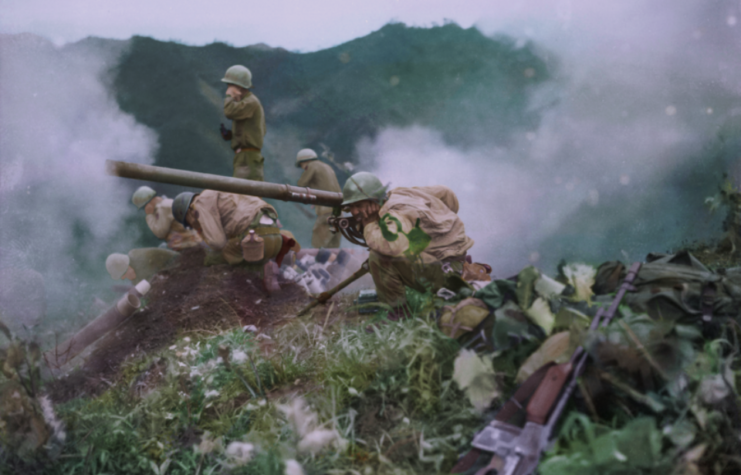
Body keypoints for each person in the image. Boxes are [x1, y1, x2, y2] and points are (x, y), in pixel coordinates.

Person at [341, 172, 474, 316]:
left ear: (373, 200)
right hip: (454, 262)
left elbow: (394, 246)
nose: (353, 211)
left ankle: (396, 313)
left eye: (358, 205)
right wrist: (438, 225)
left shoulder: (393, 214)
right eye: (351, 206)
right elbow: (446, 193)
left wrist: (369, 225)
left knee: (378, 257)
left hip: (446, 274)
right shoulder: (401, 194)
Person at [171, 190, 300, 292]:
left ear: (187, 212)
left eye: (188, 223)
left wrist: (209, 251)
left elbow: (218, 243)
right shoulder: (220, 192)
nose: (192, 226)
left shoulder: (199, 205)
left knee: (222, 255)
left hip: (257, 238)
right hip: (274, 234)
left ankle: (263, 266)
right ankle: (281, 258)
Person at [220, 65, 266, 181]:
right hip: (244, 157)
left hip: (248, 158)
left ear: (239, 87)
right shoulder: (246, 103)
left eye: (230, 86)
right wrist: (233, 136)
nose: (228, 89)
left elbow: (229, 112)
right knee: (241, 195)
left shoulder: (251, 102)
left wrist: (229, 95)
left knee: (246, 196)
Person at [295, 148, 342, 249]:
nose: (303, 168)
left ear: (305, 162)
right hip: (339, 212)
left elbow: (301, 184)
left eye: (302, 165)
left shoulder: (312, 165)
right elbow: (328, 187)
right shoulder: (327, 167)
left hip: (326, 212)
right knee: (333, 249)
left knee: (318, 247)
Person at [131, 186, 202, 251]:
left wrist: (149, 215)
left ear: (147, 204)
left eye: (143, 208)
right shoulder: (165, 203)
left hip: (187, 244)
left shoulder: (162, 208)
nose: (144, 210)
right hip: (189, 240)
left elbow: (160, 233)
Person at [106, 248, 180, 285]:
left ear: (128, 267)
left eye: (124, 275)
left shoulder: (141, 261)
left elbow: (153, 283)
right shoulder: (134, 261)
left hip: (178, 264)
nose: (124, 278)